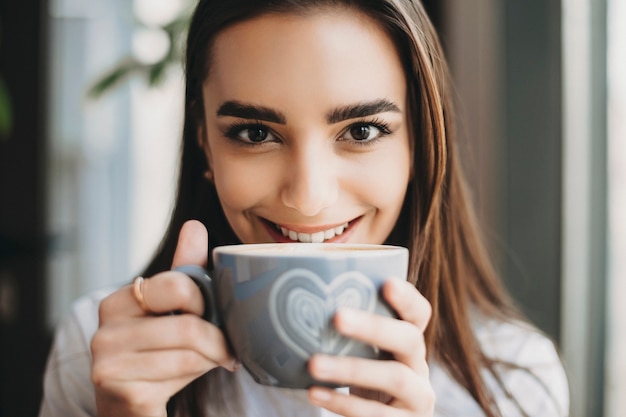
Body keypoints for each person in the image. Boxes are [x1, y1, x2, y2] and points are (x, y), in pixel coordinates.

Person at [39, 1, 570, 416]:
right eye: (254, 133)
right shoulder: (97, 355)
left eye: (362, 131)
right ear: (204, 144)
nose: (309, 196)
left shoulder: (513, 381)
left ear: (420, 145)